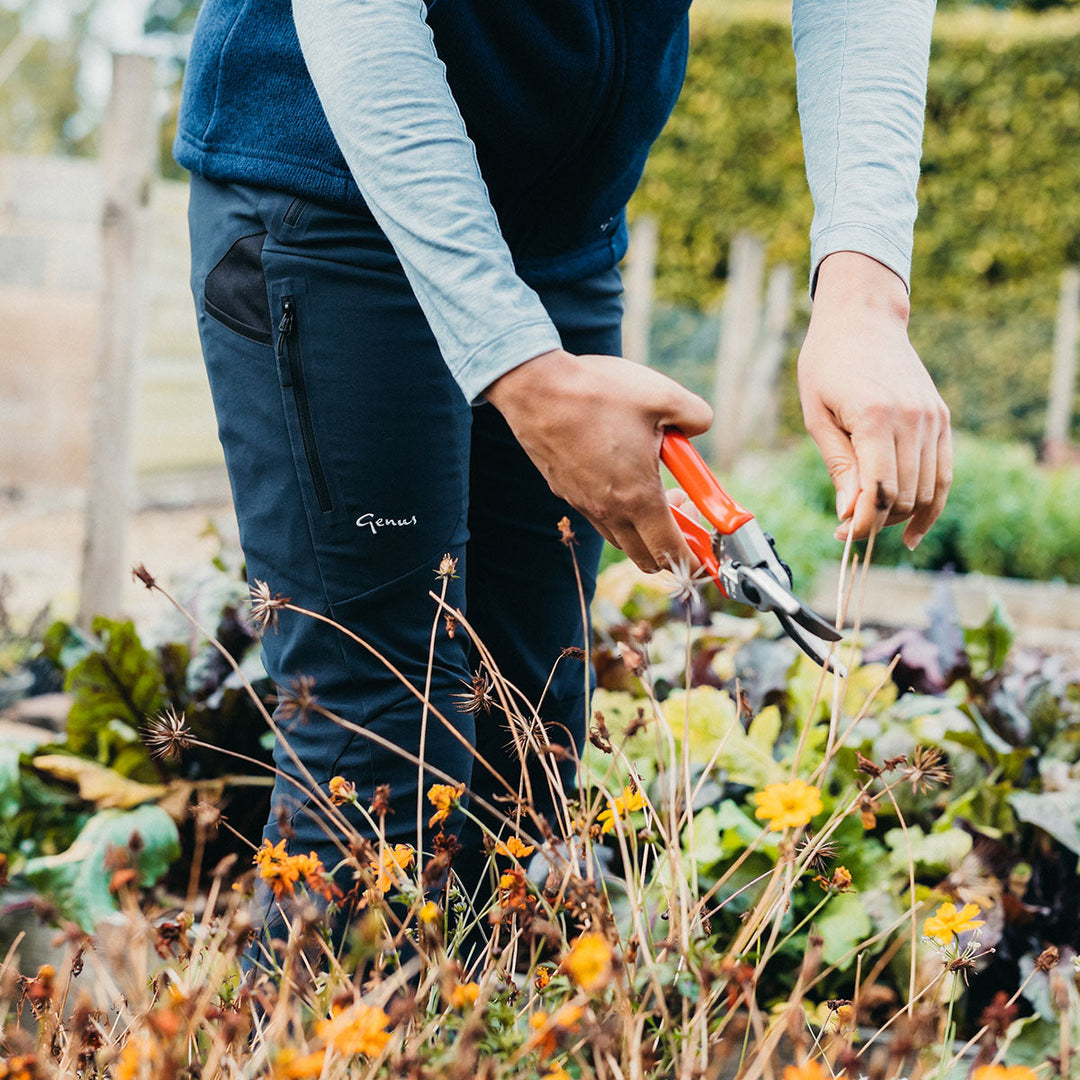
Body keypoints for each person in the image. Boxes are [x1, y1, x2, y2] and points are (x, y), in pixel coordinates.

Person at [174, 0, 951, 948]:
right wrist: (520, 367)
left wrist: (865, 299)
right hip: (335, 190)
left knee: (529, 731)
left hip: (558, 230)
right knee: (381, 742)